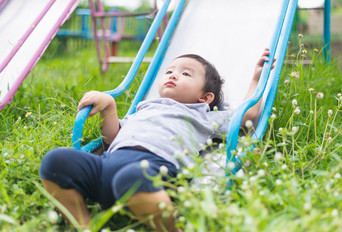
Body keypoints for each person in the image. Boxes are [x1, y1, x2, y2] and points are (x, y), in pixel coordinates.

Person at [40, 49, 275, 232]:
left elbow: (247, 114)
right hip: (108, 163)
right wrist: (109, 106)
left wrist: (257, 79)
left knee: (131, 178)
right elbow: (112, 138)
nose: (173, 74)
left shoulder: (204, 116)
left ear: (205, 98)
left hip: (154, 170)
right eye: (170, 71)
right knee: (56, 160)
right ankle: (84, 225)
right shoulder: (145, 107)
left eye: (185, 74)